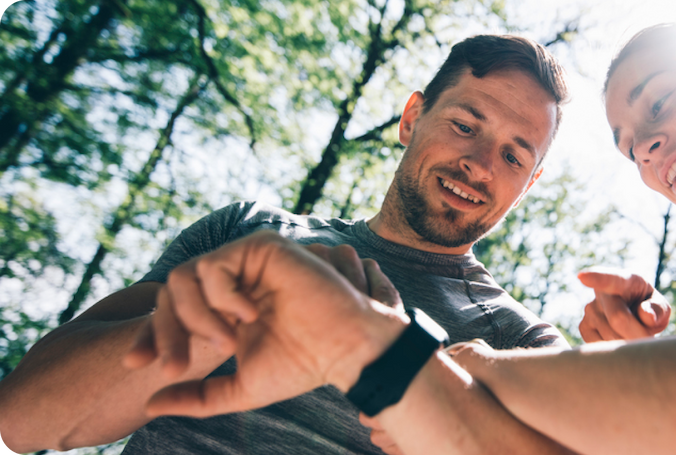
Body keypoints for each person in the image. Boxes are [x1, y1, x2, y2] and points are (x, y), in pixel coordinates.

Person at [116, 23, 676, 455]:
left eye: (658, 103)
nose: (646, 146)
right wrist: (381, 373)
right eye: (628, 143)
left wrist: (458, 364)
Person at [0, 34, 572, 454]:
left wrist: (391, 364)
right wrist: (235, 313)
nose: (479, 166)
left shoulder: (524, 344)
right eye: (465, 126)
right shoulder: (246, 231)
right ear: (411, 118)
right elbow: (19, 419)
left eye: (513, 156)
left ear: (528, 185)